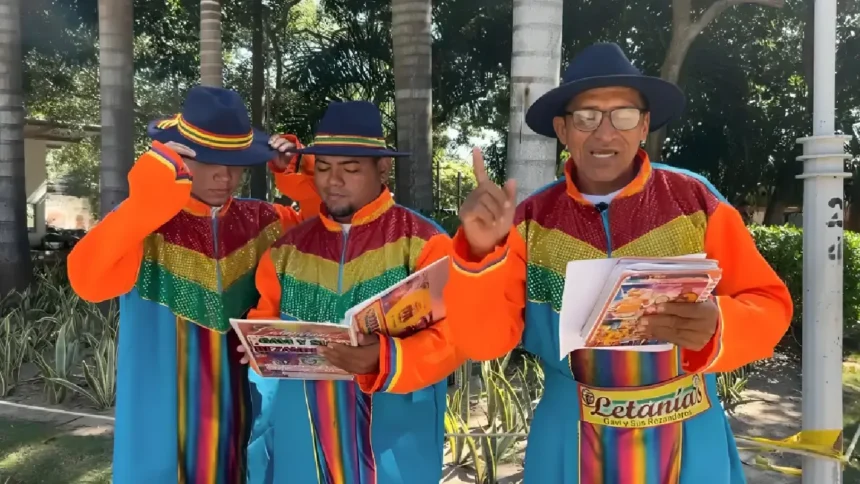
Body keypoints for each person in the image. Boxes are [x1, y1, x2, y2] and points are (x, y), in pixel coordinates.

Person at [446, 43, 793, 484]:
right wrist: (479, 253)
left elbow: (768, 304)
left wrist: (720, 325)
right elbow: (484, 344)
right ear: (562, 129)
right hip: (570, 436)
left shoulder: (696, 201)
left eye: (623, 115)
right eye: (586, 117)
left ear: (644, 124)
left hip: (687, 430)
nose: (605, 133)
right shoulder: (529, 222)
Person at [67, 86, 320, 484]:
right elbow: (87, 281)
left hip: (246, 413)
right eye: (208, 160)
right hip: (163, 421)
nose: (225, 176)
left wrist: (296, 176)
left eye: (235, 163)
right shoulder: (144, 223)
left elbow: (328, 236)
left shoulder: (266, 221)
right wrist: (151, 193)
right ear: (179, 157)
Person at [242, 100, 460, 484]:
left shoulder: (425, 243)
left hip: (392, 437)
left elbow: (457, 336)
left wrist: (387, 356)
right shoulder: (286, 251)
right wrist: (259, 345)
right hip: (303, 435)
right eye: (324, 167)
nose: (333, 180)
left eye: (351, 168)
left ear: (383, 167)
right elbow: (264, 320)